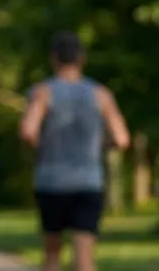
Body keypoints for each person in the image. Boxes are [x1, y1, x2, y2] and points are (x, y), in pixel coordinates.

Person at [19, 31, 130, 271]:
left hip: (51, 180)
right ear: (82, 58)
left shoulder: (43, 93)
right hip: (88, 181)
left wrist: (45, 147)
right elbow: (121, 139)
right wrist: (98, 146)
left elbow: (28, 131)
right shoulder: (101, 95)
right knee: (85, 256)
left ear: (53, 58)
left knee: (51, 254)